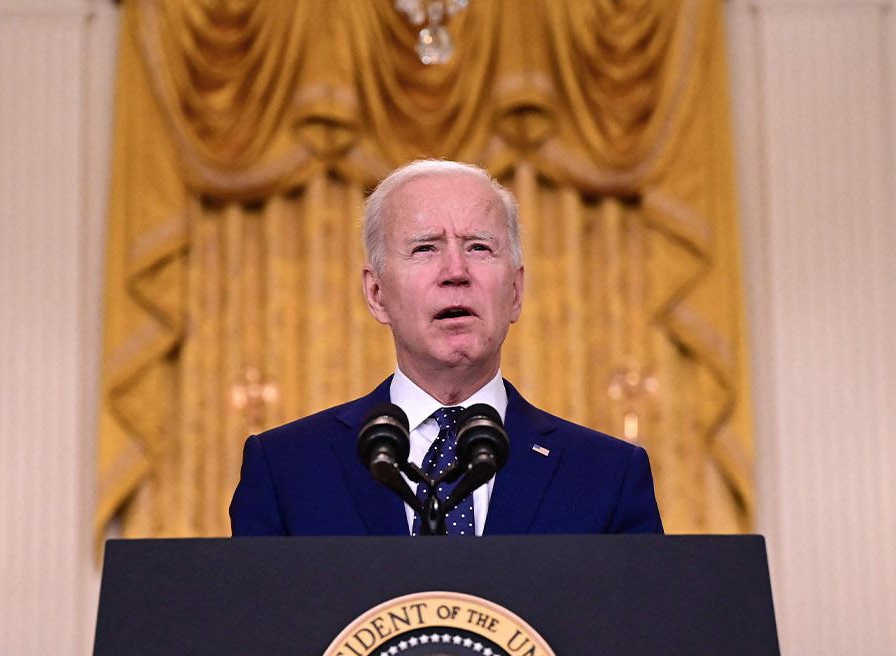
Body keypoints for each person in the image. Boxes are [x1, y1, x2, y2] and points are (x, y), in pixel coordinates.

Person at [229, 159, 663, 536]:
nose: (455, 271)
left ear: (514, 292)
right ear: (377, 293)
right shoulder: (286, 470)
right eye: (424, 248)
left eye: (479, 247)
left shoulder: (608, 476)